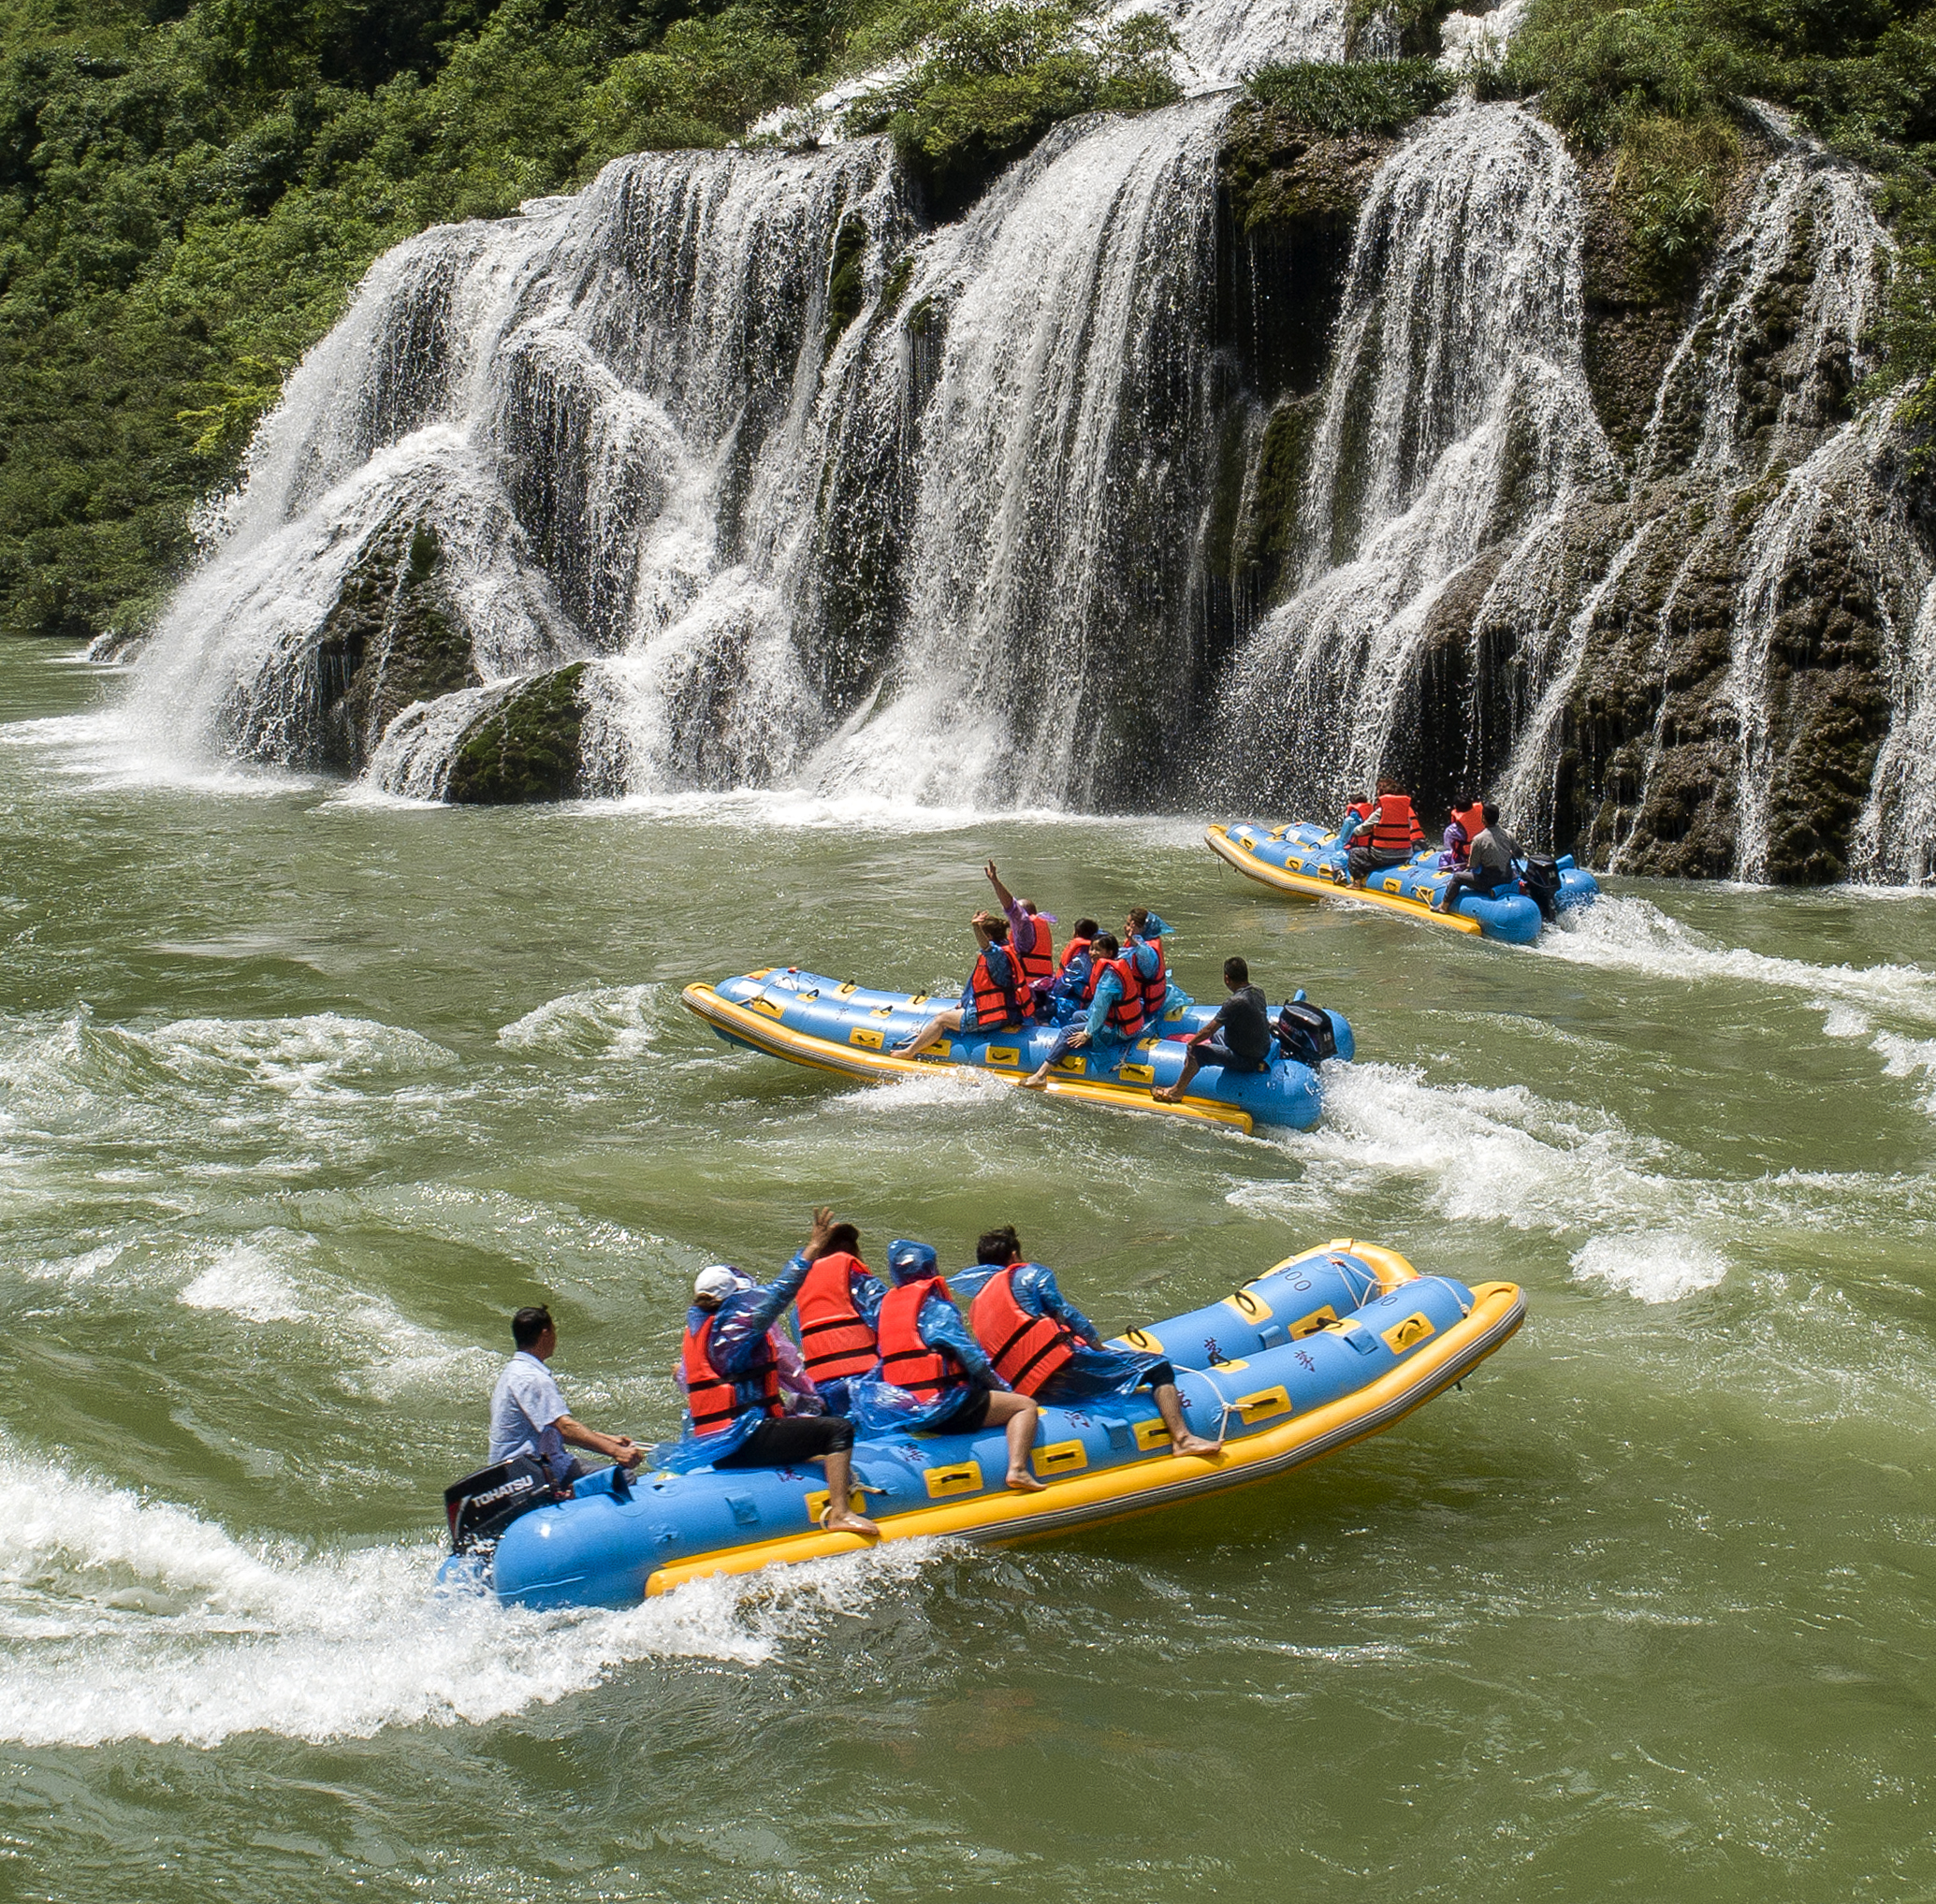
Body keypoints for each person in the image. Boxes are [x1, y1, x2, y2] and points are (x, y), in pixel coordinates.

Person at [662, 1210, 881, 1536]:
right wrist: (811, 1248)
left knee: (801, 1428)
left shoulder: (699, 1330)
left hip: (718, 1447)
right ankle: (840, 1512)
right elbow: (781, 1292)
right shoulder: (734, 1331)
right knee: (839, 1429)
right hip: (744, 1441)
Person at [967, 1228, 1223, 1456]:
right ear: (1013, 1256)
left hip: (1027, 1391)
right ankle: (1183, 1438)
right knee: (1158, 1367)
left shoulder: (978, 1305)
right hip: (1062, 1374)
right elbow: (1066, 1313)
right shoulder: (1030, 1274)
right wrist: (1098, 1347)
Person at [854, 1241, 1045, 1491]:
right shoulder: (937, 1310)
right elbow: (972, 1359)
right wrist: (1004, 1390)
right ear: (931, 1268)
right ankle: (1017, 1469)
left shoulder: (888, 1310)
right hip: (945, 1411)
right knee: (1024, 1406)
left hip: (909, 1412)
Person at [489, 1304, 643, 1485]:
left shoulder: (512, 1372)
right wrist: (617, 1452)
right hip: (532, 1473)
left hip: (510, 1471)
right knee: (624, 1478)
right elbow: (566, 1428)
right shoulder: (534, 1379)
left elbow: (550, 1429)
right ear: (545, 1334)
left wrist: (607, 1440)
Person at [894, 908, 1031, 1058]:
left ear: (989, 936)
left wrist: (976, 927)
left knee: (941, 1019)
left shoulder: (997, 956)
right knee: (950, 1013)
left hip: (992, 1018)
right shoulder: (1009, 948)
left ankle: (909, 1052)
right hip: (1008, 1013)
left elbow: (987, 948)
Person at [1020, 930, 1147, 1087]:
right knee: (1077, 1015)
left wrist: (1087, 1034)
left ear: (1109, 952)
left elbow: (1100, 1008)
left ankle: (1040, 1076)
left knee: (1067, 1031)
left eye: (1097, 950)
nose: (1092, 953)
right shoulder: (1116, 965)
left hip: (1119, 1030)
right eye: (1092, 948)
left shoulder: (1109, 977)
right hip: (1122, 1022)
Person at [786, 1216, 885, 1417]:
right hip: (866, 1382)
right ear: (855, 1252)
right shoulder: (860, 1279)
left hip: (822, 1389)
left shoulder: (803, 1297)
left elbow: (802, 1338)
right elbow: (888, 1322)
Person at [1152, 955, 1274, 1103]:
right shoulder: (1257, 991)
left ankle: (1176, 1092)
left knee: (1197, 1053)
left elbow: (1208, 1030)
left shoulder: (1234, 1002)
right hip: (1261, 1049)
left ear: (1227, 978)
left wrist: (1191, 1044)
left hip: (1246, 1059)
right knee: (1218, 1035)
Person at [1435, 802, 1523, 914]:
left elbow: (1473, 865)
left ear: (1484, 818)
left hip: (1488, 881)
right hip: (1507, 878)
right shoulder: (1509, 834)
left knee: (1457, 877)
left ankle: (1443, 906)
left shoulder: (1478, 839)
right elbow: (1519, 853)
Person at [983, 862, 1055, 994]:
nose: (1013, 921)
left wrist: (996, 882)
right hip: (1044, 986)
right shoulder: (1039, 924)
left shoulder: (1025, 929)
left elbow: (1013, 909)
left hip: (1031, 991)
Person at [1346, 775, 1425, 885]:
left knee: (1355, 853)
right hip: (1405, 854)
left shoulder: (1380, 812)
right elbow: (1410, 827)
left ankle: (1356, 883)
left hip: (1382, 856)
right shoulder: (1404, 811)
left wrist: (1354, 830)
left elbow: (1361, 830)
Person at [1124, 908, 1187, 1026]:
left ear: (1140, 928)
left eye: (1129, 924)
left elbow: (1147, 968)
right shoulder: (1143, 943)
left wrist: (1134, 941)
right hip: (1146, 1001)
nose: (1125, 927)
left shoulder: (1146, 951)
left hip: (1143, 1007)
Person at [1438, 793, 1485, 871]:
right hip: (1485, 853)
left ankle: (1448, 877)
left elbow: (1447, 845)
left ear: (1456, 809)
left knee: (1444, 856)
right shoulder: (1484, 815)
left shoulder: (1452, 829)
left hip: (1466, 858)